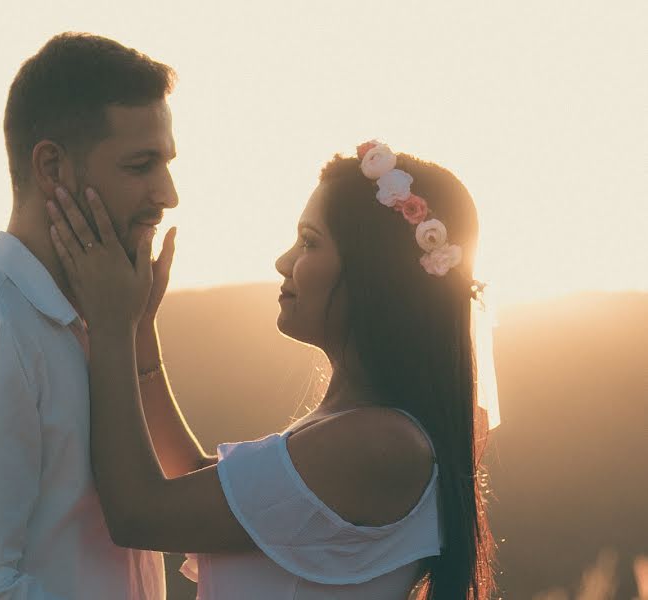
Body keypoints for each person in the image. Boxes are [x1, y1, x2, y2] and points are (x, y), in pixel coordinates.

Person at [46, 140, 499, 599]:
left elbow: (138, 514)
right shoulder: (360, 429)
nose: (283, 262)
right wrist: (141, 327)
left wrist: (110, 324)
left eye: (309, 242)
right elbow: (197, 481)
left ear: (371, 270)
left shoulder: (379, 443)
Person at [0, 33, 180, 599]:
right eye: (141, 165)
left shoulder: (97, 327)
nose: (167, 193)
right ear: (51, 167)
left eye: (164, 164)